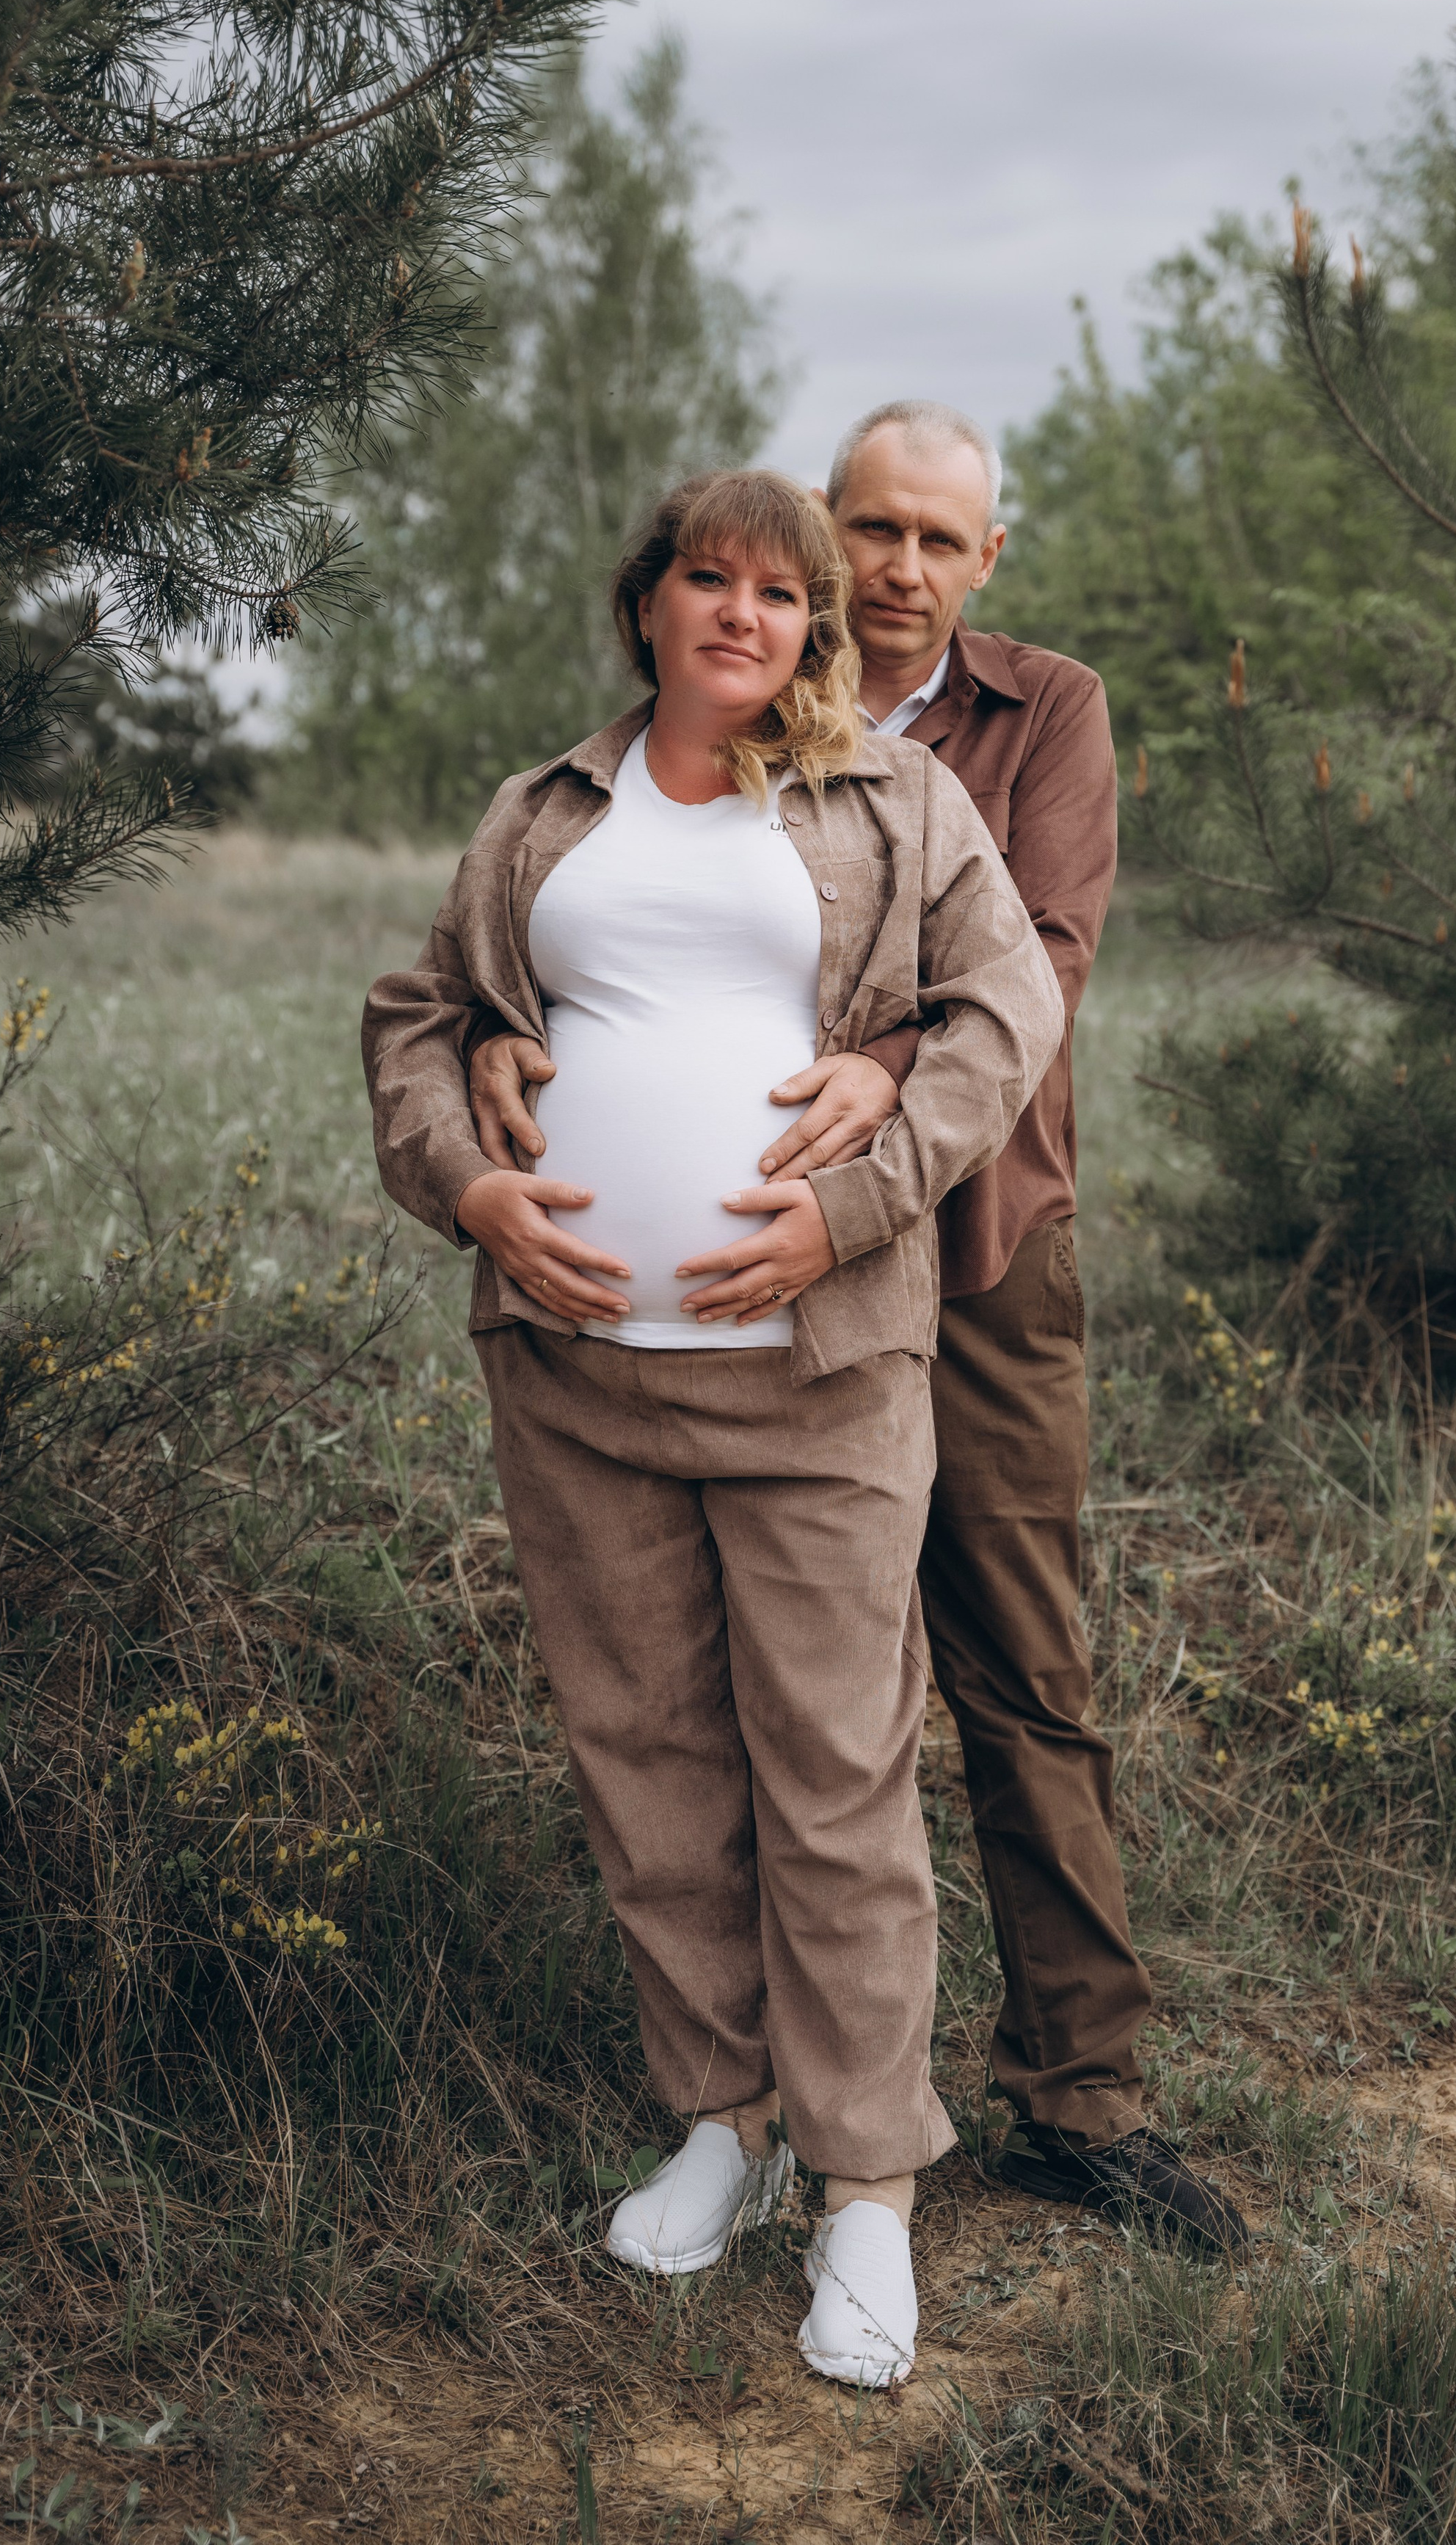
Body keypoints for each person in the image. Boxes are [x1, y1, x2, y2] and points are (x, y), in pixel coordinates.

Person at [472, 404, 1247, 2253]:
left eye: (938, 542)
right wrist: (514, 1045)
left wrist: (860, 1086)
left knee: (1005, 1667)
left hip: (966, 1254)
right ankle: (741, 2114)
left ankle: (1074, 2097)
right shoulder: (672, 748)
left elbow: (1032, 967)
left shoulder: (1023, 719)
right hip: (690, 1334)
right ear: (819, 546)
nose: (898, 568)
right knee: (735, 1714)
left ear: (985, 563)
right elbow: (512, 969)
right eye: (869, 530)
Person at [363, 469, 1065, 2386]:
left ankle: (863, 2193)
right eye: (707, 578)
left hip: (818, 1382)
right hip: (579, 1381)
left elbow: (1005, 1017)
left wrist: (852, 1202)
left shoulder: (889, 803)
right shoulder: (540, 815)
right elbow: (419, 1022)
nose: (740, 613)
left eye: (781, 590)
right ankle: (723, 2128)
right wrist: (472, 1186)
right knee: (651, 1758)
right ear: (649, 604)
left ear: (815, 628)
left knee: (833, 1774)